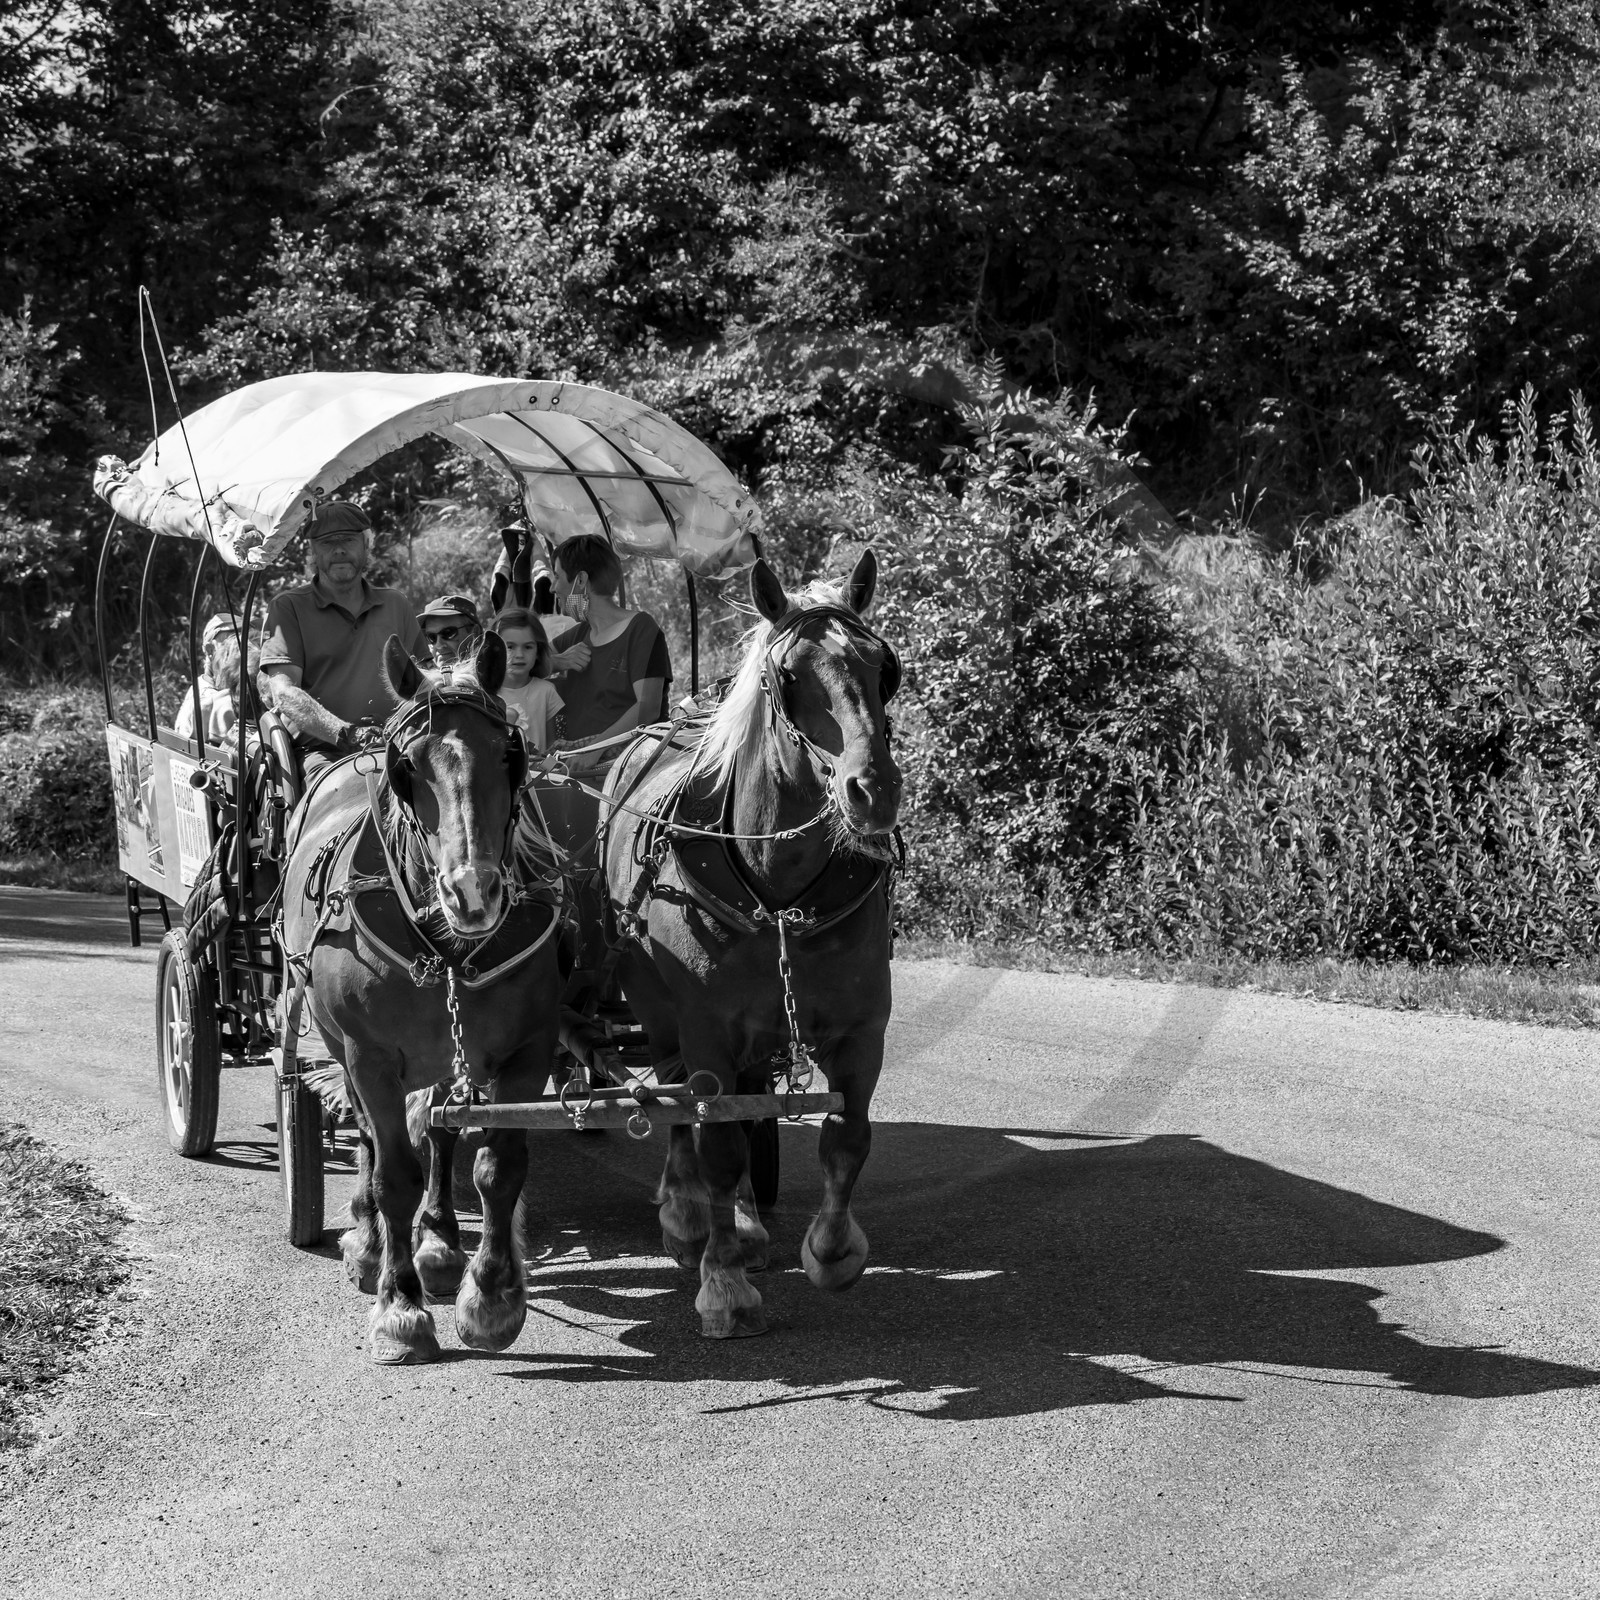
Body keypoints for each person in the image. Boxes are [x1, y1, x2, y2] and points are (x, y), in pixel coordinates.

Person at [258, 500, 427, 773]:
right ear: (313, 551)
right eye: (327, 542)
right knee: (345, 796)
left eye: (348, 540)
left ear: (366, 545)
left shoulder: (395, 604)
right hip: (324, 752)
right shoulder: (289, 607)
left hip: (399, 746)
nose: (338, 550)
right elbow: (284, 692)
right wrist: (347, 734)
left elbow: (424, 680)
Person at [547, 534, 670, 759]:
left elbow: (648, 707)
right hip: (573, 762)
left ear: (580, 580)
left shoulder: (640, 628)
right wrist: (557, 662)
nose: (552, 588)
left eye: (557, 577)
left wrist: (595, 749)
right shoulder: (578, 635)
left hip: (624, 763)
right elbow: (519, 667)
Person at [491, 607, 563, 753]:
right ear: (494, 650)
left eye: (528, 647)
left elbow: (552, 746)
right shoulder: (483, 694)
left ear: (538, 651)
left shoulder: (546, 691)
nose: (519, 654)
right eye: (510, 647)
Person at [174, 612, 240, 743]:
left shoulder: (204, 685)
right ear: (210, 650)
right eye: (231, 648)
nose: (240, 654)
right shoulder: (209, 700)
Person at [416, 593, 484, 671]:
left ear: (475, 633)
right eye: (432, 637)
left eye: (448, 633)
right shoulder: (419, 677)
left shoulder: (493, 673)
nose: (438, 645)